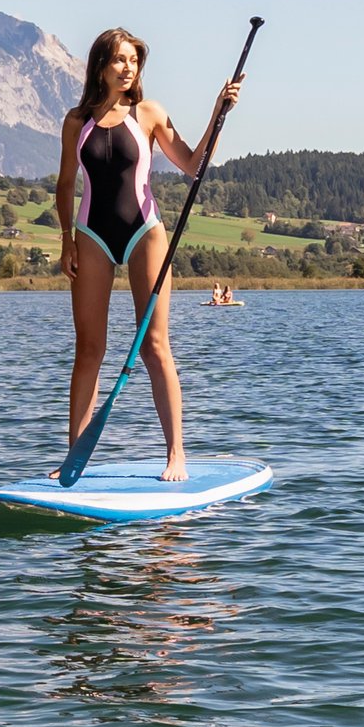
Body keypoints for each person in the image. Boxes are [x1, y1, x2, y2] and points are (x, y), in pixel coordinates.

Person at [51, 28, 243, 481]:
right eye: (119, 60)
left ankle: (176, 453)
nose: (127, 68)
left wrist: (219, 111)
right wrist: (66, 240)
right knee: (89, 350)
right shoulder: (76, 120)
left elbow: (193, 164)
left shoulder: (149, 113)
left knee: (156, 346)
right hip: (91, 236)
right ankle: (75, 457)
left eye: (134, 61)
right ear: (100, 65)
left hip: (145, 234)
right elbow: (64, 185)